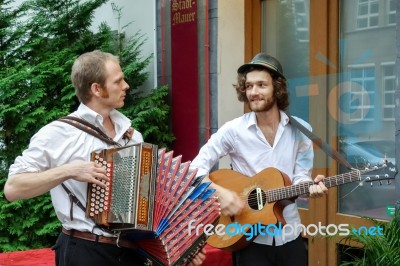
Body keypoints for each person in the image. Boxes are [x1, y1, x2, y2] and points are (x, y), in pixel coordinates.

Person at [4, 50, 206, 266]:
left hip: (131, 251)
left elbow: (152, 204)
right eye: (118, 81)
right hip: (84, 251)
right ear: (97, 89)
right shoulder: (59, 133)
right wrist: (69, 171)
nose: (126, 85)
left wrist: (183, 248)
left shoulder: (131, 135)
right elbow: (13, 188)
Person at [190, 53, 328, 266]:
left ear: (277, 88)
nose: (253, 92)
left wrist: (310, 188)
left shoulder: (301, 130)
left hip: (290, 236)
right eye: (249, 86)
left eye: (261, 85)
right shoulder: (233, 131)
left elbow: (300, 178)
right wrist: (221, 193)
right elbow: (195, 169)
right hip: (248, 240)